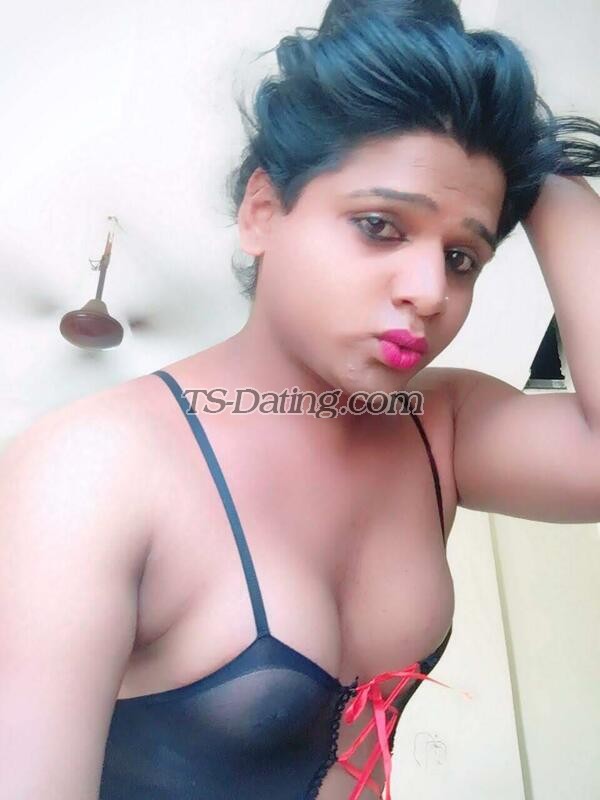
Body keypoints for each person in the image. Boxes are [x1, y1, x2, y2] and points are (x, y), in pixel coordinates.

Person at [1, 1, 599, 798]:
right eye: (380, 225)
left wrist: (539, 166)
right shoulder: (91, 468)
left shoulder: (440, 432)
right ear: (262, 211)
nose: (430, 290)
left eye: (463, 257)